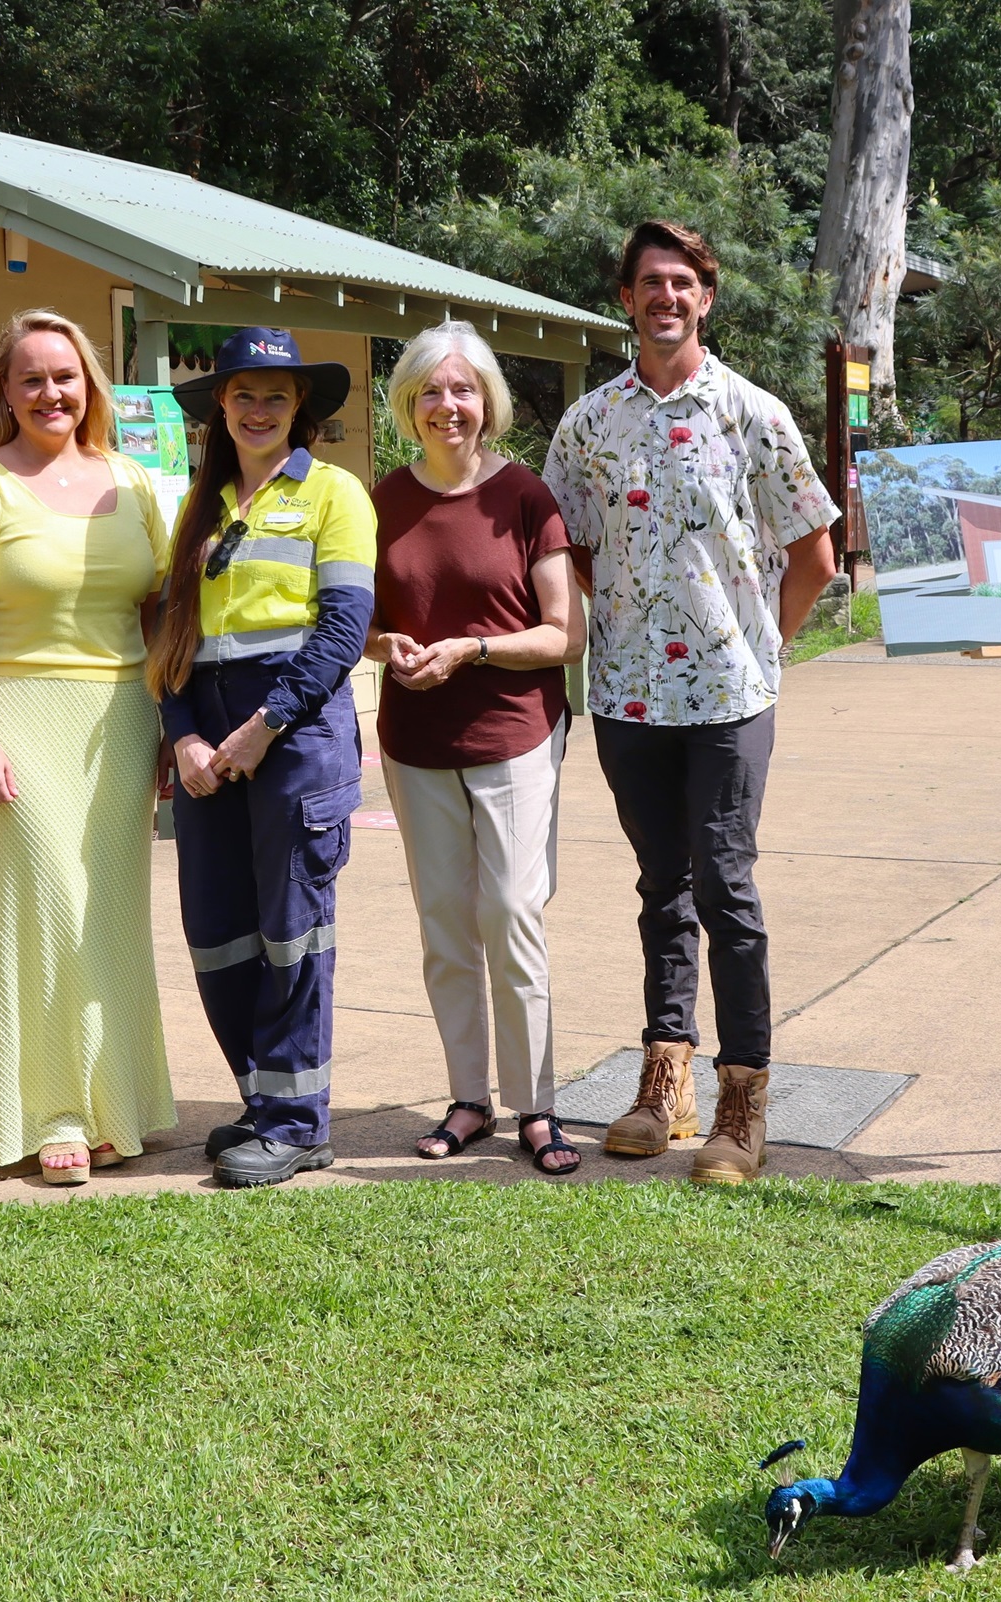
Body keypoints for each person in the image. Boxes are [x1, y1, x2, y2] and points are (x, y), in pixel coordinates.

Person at [542, 220, 839, 1185]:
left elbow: (815, 554)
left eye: (683, 283)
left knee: (726, 887)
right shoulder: (590, 424)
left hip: (729, 697)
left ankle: (742, 1095)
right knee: (659, 887)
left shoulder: (753, 414)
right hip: (628, 697)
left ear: (706, 298)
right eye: (649, 284)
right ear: (624, 299)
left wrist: (762, 648)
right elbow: (573, 548)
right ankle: (662, 1082)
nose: (666, 297)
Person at [0, 309, 174, 1184]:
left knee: (106, 911)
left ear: (90, 386)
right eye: (29, 379)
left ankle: (119, 1104)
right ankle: (50, 1112)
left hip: (119, 720)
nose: (50, 393)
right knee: (42, 909)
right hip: (15, 716)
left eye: (64, 376)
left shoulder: (136, 484)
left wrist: (170, 727)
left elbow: (157, 610)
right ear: (5, 392)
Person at [150, 327, 376, 1189]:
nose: (256, 409)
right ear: (218, 410)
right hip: (207, 739)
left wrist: (261, 727)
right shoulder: (200, 507)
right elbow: (173, 631)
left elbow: (342, 631)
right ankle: (263, 1095)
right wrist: (185, 735)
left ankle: (297, 1123)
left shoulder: (335, 495)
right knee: (218, 932)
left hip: (294, 737)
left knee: (292, 933)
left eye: (275, 396)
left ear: (301, 409)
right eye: (242, 394)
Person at [365, 322, 585, 1178]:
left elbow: (562, 635)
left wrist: (470, 650)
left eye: (462, 390)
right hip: (415, 742)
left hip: (514, 735)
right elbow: (359, 623)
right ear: (407, 405)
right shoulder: (381, 501)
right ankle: (468, 1100)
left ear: (486, 400)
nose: (447, 405)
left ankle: (537, 1104)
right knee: (446, 925)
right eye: (429, 390)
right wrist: (393, 651)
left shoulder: (524, 496)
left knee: (510, 912)